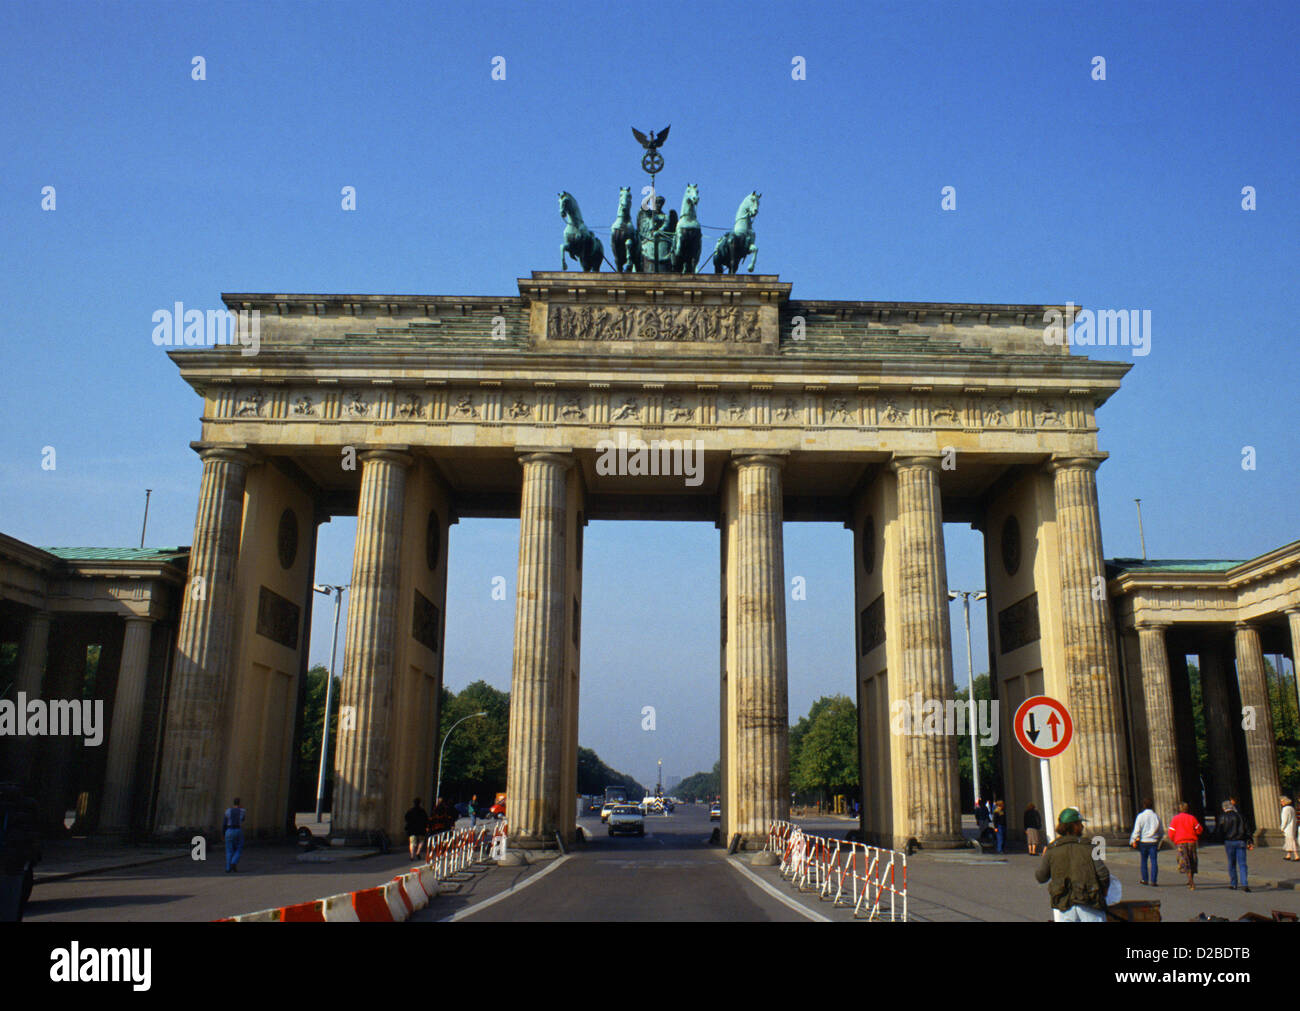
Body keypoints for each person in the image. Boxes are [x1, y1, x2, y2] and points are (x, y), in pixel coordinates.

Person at [1034, 807, 1111, 922]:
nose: (1082, 827)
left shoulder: (1052, 849)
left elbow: (1040, 877)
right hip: (1090, 902)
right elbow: (1103, 874)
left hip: (1065, 904)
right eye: (1080, 824)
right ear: (1074, 826)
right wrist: (1104, 890)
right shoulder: (1090, 847)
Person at [1167, 801, 1203, 890]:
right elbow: (1199, 830)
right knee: (1192, 860)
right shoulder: (1192, 818)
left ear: (1180, 809)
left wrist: (1174, 840)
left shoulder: (1175, 819)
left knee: (1185, 861)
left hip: (1181, 842)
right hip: (1191, 841)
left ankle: (1190, 881)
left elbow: (1171, 833)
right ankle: (1191, 879)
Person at [1128, 797, 1164, 886]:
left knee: (1144, 860)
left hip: (1144, 841)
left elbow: (1137, 830)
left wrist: (1133, 840)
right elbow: (1161, 831)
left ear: (1144, 806)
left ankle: (1145, 879)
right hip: (1153, 842)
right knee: (1154, 861)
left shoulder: (1140, 816)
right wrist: (1158, 838)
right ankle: (1154, 880)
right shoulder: (1156, 817)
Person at [1218, 798, 1251, 892]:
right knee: (1242, 864)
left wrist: (1221, 839)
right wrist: (1249, 840)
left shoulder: (1223, 817)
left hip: (1229, 842)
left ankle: (1233, 883)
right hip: (1241, 841)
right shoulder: (1240, 816)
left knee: (1231, 863)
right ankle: (1245, 883)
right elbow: (1247, 829)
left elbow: (1220, 830)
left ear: (1224, 808)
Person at [222, 797, 245, 873]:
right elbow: (243, 819)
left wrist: (223, 833)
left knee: (229, 850)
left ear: (233, 803)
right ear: (239, 803)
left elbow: (224, 823)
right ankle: (234, 862)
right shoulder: (242, 811)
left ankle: (228, 868)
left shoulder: (228, 811)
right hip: (238, 830)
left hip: (229, 831)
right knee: (239, 848)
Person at [1281, 796, 1298, 861]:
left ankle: (1296, 855)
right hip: (1292, 826)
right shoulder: (1292, 808)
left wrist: (1282, 827)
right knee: (1289, 840)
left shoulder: (1285, 809)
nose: (1281, 803)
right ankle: (1288, 855)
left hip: (1288, 827)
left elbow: (1284, 820)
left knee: (1291, 840)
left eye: (1282, 801)